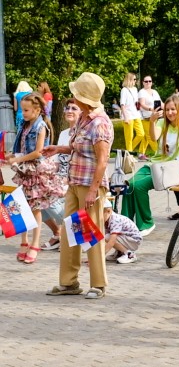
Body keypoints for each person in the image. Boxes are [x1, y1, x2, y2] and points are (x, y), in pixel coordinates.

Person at [44, 72, 114, 299]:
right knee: (69, 233)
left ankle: (99, 284)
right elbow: (78, 147)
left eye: (77, 95)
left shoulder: (100, 123)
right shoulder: (84, 118)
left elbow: (102, 161)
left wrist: (94, 190)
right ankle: (69, 282)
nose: (74, 99)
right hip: (75, 182)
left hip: (89, 185)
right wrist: (59, 148)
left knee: (91, 233)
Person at [121, 95, 179, 235]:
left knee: (139, 186)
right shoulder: (162, 123)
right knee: (129, 185)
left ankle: (146, 223)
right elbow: (154, 137)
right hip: (154, 165)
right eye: (167, 109)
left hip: (170, 170)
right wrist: (153, 121)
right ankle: (126, 224)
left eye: (173, 109)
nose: (170, 112)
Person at [6, 92, 65, 264]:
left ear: (37, 110)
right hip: (25, 170)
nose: (23, 113)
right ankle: (24, 240)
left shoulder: (41, 127)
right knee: (22, 206)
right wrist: (11, 155)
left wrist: (18, 159)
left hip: (36, 172)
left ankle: (35, 243)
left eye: (26, 110)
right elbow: (22, 147)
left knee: (36, 208)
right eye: (23, 110)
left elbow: (38, 152)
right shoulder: (24, 125)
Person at [41, 98, 82, 251]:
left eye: (74, 108)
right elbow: (57, 162)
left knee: (48, 198)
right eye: (67, 108)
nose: (69, 111)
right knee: (35, 196)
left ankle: (75, 234)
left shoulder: (81, 133)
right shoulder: (64, 133)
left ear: (81, 113)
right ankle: (58, 233)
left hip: (74, 179)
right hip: (60, 178)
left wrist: (64, 180)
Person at [103, 199, 142, 264]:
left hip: (134, 240)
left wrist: (99, 257)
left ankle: (129, 254)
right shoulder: (108, 219)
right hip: (126, 238)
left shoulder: (115, 220)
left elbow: (112, 241)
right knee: (106, 236)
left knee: (108, 237)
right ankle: (119, 253)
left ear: (108, 211)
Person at [120, 72, 146, 160]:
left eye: (136, 79)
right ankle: (129, 156)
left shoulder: (135, 89)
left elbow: (136, 102)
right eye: (134, 79)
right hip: (128, 116)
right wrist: (125, 117)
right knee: (129, 137)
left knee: (141, 134)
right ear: (129, 80)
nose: (135, 81)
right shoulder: (124, 90)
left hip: (136, 114)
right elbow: (122, 104)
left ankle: (128, 151)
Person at [138, 75, 163, 154]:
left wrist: (170, 107)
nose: (148, 83)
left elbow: (161, 103)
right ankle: (158, 153)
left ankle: (141, 153)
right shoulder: (142, 92)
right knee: (151, 137)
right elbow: (142, 104)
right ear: (143, 83)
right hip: (146, 117)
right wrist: (150, 109)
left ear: (152, 82)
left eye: (150, 81)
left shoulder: (155, 92)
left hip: (155, 117)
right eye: (146, 81)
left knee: (146, 137)